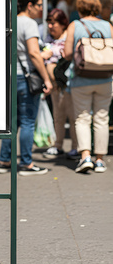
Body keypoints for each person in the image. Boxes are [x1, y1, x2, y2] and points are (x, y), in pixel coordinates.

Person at [0, 0, 52, 176]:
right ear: (30, 5)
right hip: (26, 77)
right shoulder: (29, 24)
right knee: (28, 121)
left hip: (10, 75)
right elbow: (34, 53)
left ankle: (5, 159)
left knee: (12, 122)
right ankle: (27, 163)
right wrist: (46, 78)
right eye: (39, 5)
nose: (41, 9)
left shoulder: (10, 21)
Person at [64, 0, 113, 173]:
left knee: (82, 118)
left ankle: (85, 156)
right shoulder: (107, 25)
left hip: (81, 79)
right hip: (105, 77)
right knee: (101, 118)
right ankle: (100, 159)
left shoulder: (75, 26)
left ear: (80, 8)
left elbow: (68, 53)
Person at [41, 9, 79, 160]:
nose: (50, 26)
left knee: (73, 116)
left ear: (63, 24)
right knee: (58, 116)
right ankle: (58, 144)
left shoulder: (68, 39)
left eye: (53, 23)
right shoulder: (48, 39)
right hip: (55, 86)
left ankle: (76, 147)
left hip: (68, 84)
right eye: (49, 23)